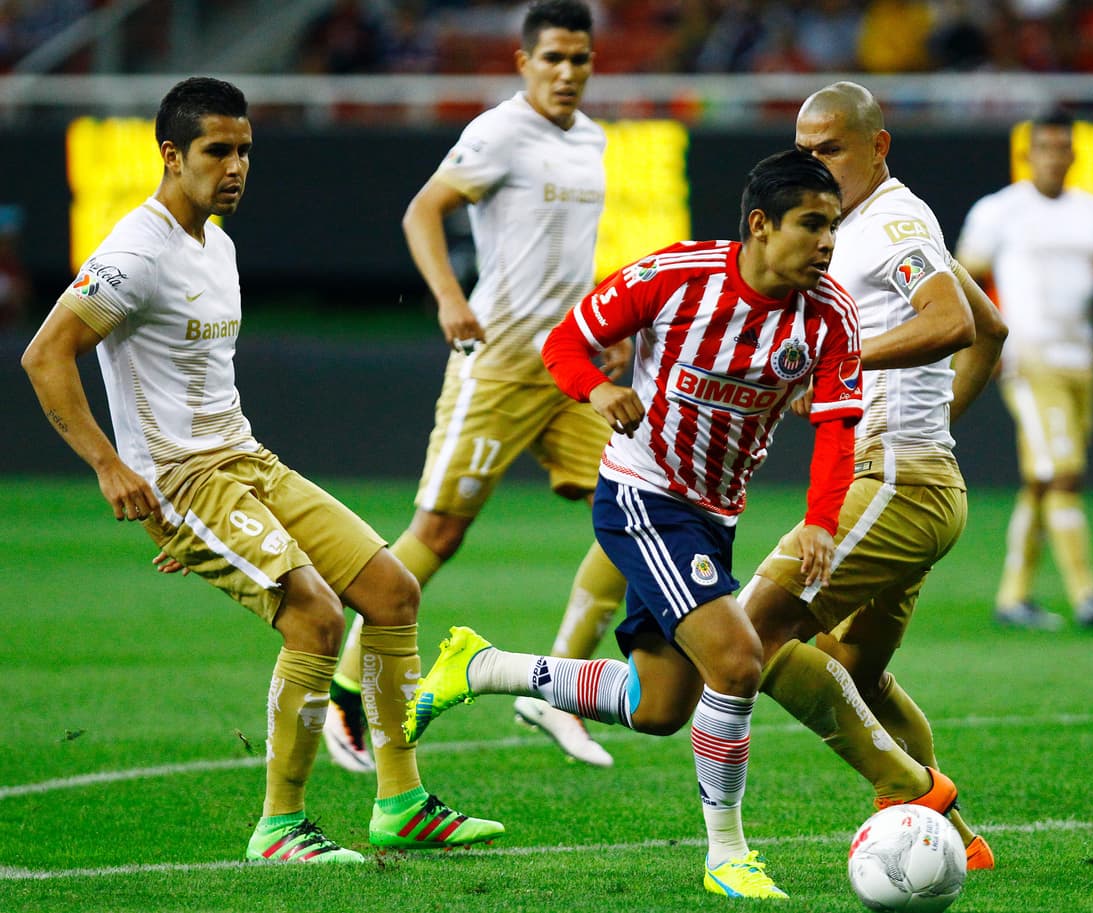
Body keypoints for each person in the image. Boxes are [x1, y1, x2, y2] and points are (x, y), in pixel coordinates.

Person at [406, 149, 961, 900]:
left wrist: (821, 522)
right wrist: (599, 392)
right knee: (737, 662)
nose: (828, 242)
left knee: (660, 705)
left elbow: (836, 428)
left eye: (832, 226)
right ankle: (727, 851)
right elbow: (563, 341)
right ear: (761, 225)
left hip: (713, 516)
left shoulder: (830, 315)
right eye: (812, 224)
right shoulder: (675, 275)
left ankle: (480, 666)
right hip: (642, 494)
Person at [20, 76, 503, 863]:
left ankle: (402, 803)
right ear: (172, 155)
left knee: (391, 590)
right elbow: (46, 357)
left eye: (245, 149)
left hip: (246, 461)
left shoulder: (218, 243)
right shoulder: (136, 251)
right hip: (183, 477)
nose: (236, 165)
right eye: (218, 150)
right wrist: (116, 472)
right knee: (315, 615)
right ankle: (280, 826)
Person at [324, 0, 629, 773]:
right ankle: (345, 694)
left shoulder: (591, 139)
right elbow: (423, 211)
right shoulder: (498, 132)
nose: (567, 73)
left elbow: (565, 255)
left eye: (580, 59)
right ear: (524, 63)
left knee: (638, 511)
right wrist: (449, 298)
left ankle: (556, 689)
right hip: (495, 363)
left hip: (568, 364)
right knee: (439, 532)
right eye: (553, 58)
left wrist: (604, 328)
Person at [740, 80, 1007, 873]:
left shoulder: (892, 220)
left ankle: (917, 788)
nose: (814, 163)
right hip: (913, 477)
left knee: (751, 636)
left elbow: (952, 323)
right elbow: (991, 329)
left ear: (877, 145)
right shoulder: (867, 224)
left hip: (894, 479)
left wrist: (841, 367)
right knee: (856, 672)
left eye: (830, 148)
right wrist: (935, 430)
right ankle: (958, 839)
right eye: (804, 150)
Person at [956, 108, 1093, 630]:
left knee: (1042, 478)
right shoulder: (1001, 210)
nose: (1055, 156)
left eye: (1062, 147)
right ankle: (1087, 593)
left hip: (1081, 358)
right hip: (1029, 359)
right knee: (1064, 473)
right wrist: (985, 344)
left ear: (1074, 153)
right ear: (1028, 154)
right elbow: (962, 274)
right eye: (1045, 147)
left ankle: (1014, 598)